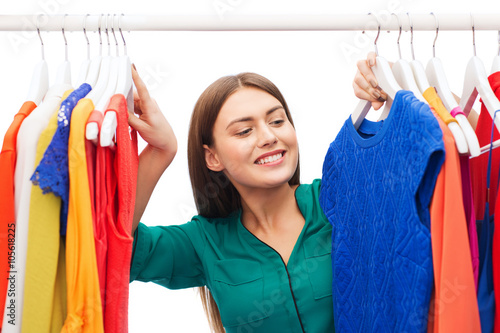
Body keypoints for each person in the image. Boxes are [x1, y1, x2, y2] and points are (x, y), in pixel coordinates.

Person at [127, 53, 384, 333]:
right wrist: (159, 152)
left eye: (276, 121)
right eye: (244, 131)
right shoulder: (205, 242)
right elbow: (113, 247)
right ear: (212, 158)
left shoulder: (337, 200)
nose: (268, 137)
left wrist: (385, 95)